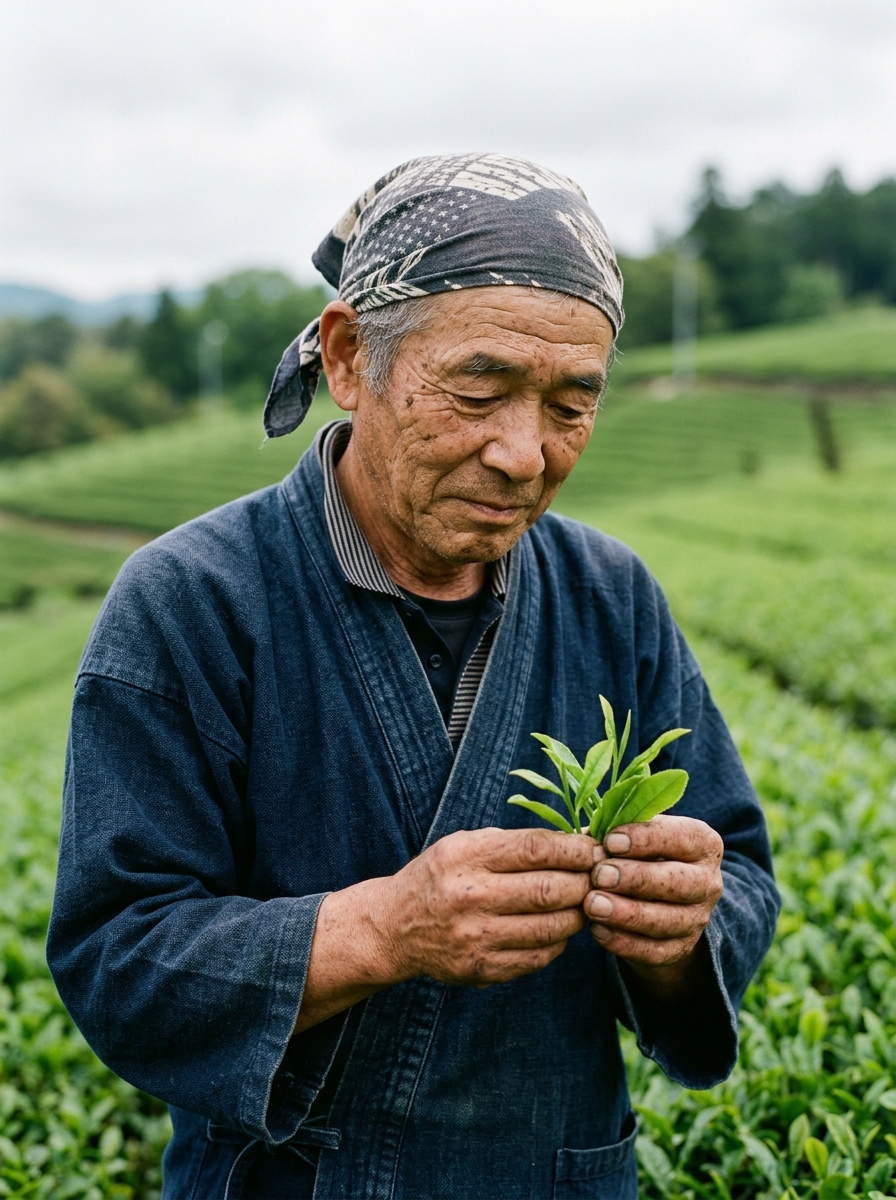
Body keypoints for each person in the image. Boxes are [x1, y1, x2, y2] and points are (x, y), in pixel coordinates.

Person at [47, 154, 780, 1200]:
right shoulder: (191, 603)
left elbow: (739, 872)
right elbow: (116, 957)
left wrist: (674, 931)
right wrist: (381, 930)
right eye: (478, 389)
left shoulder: (610, 597)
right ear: (349, 359)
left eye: (571, 405)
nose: (523, 453)